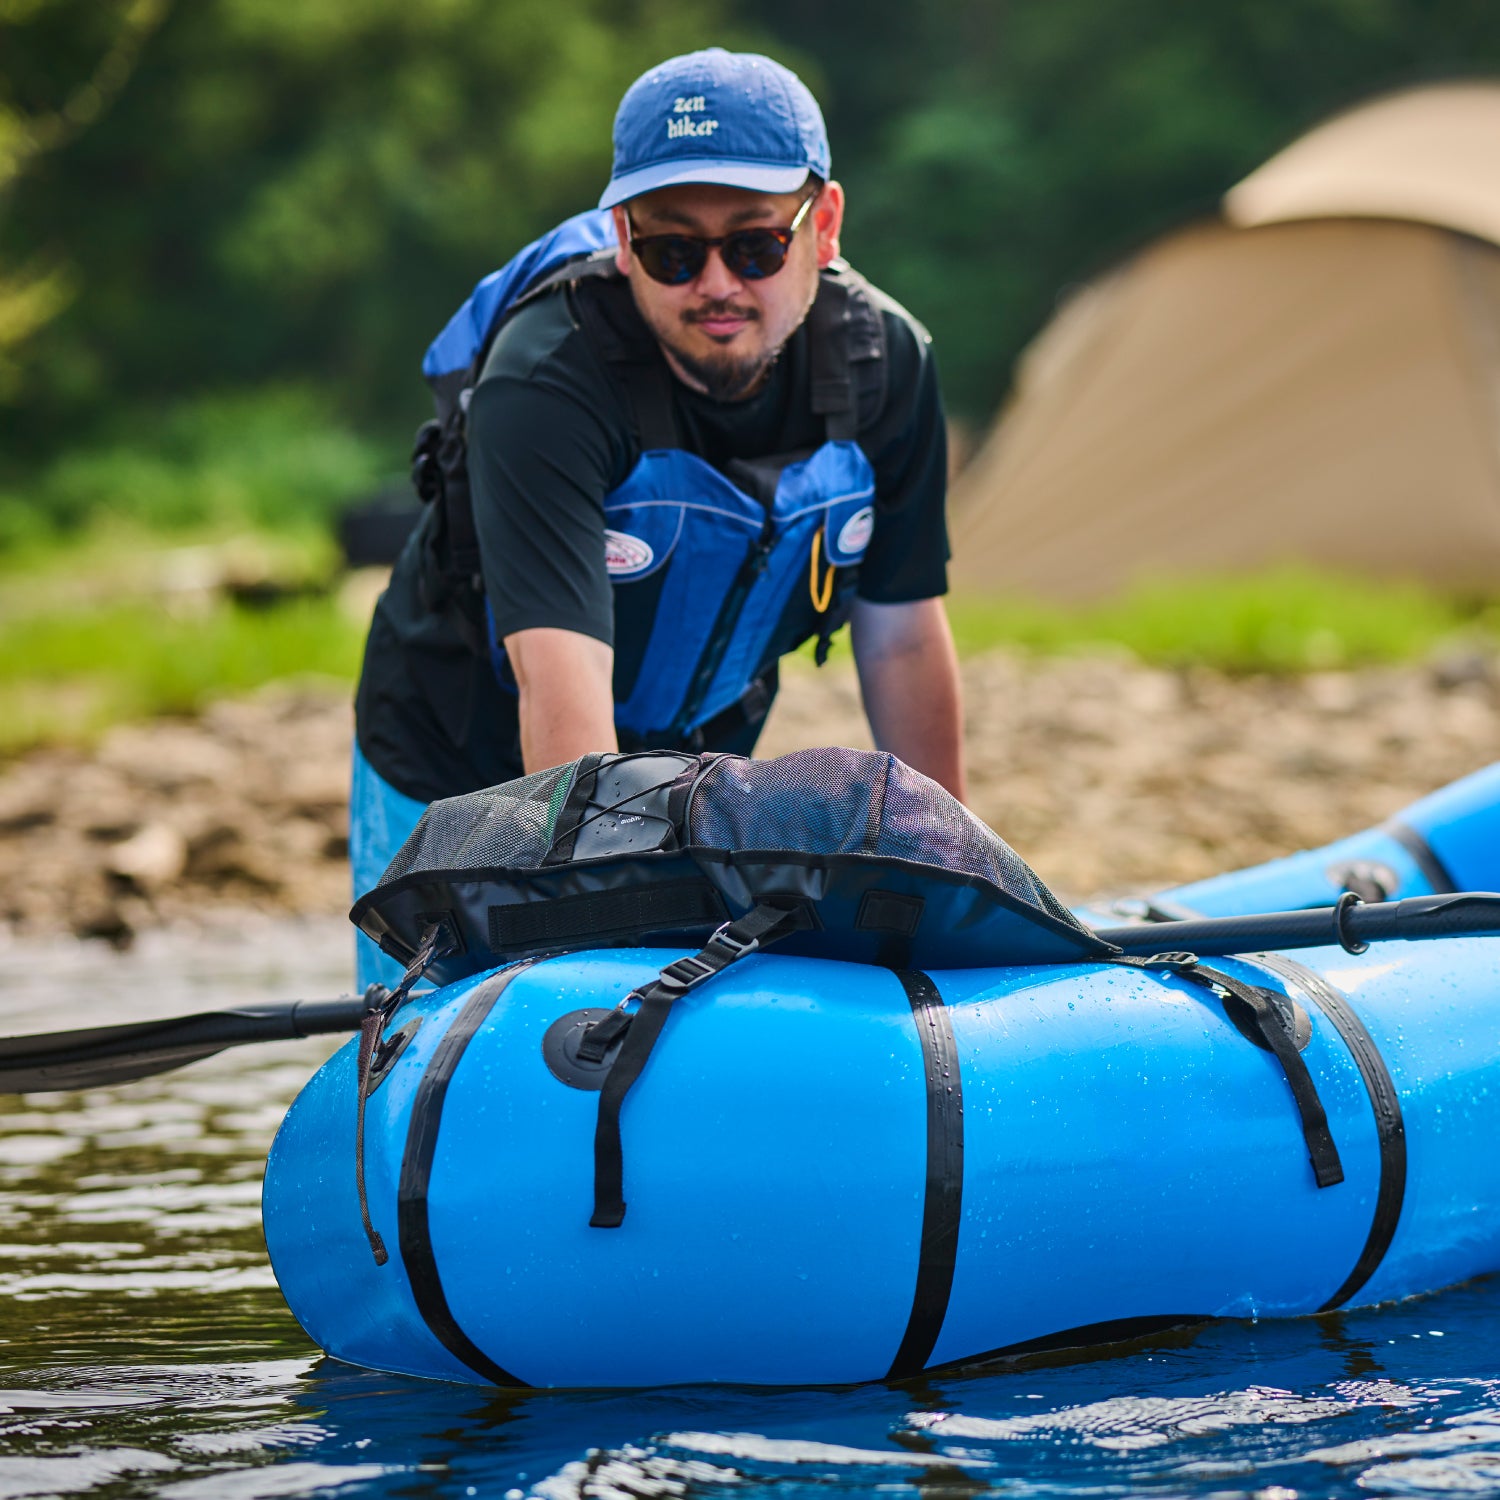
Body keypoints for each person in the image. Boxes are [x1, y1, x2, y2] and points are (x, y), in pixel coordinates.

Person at [350, 47, 966, 988]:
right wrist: (599, 951)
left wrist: (951, 900)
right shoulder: (547, 382)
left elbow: (903, 640)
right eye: (673, 250)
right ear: (622, 237)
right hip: (456, 754)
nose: (715, 284)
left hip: (696, 755)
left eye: (755, 245)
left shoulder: (887, 364)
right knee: (565, 992)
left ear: (824, 225)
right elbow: (559, 687)